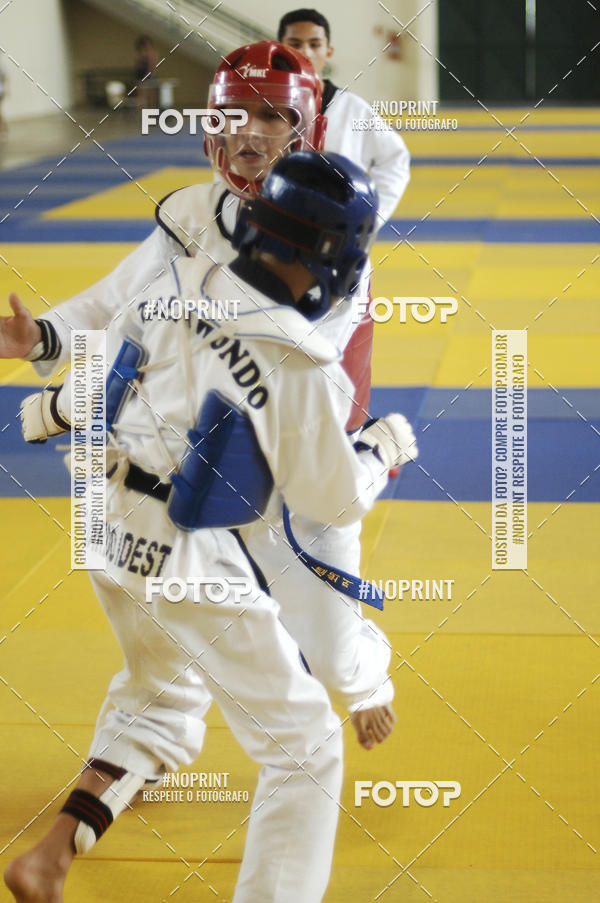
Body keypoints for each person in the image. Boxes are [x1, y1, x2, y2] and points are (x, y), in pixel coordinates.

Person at [3, 41, 409, 854]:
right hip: (185, 469)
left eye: (270, 117)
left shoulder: (324, 233)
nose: (249, 135)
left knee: (332, 652)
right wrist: (43, 335)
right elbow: (123, 298)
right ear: (208, 128)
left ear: (303, 132)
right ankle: (138, 748)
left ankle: (368, 678)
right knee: (172, 617)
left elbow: (277, 366)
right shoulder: (190, 214)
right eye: (233, 115)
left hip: (293, 453)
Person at [279, 7, 411, 427]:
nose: (305, 51)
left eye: (314, 44)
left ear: (328, 51)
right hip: (274, 247)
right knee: (274, 347)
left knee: (349, 352)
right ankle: (277, 439)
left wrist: (370, 220)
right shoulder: (263, 108)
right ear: (280, 48)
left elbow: (395, 160)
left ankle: (352, 439)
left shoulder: (350, 108)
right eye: (294, 43)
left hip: (343, 250)